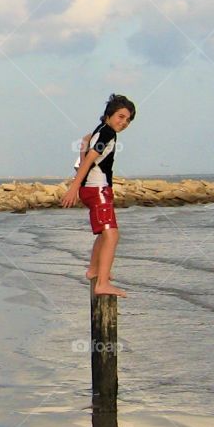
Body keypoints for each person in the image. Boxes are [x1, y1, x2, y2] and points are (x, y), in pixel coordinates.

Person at [62, 94, 136, 298]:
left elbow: (86, 157)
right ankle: (102, 283)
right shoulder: (107, 133)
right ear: (109, 115)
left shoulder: (101, 130)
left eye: (128, 120)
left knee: (104, 233)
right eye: (121, 116)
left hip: (93, 189)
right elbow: (88, 162)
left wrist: (83, 147)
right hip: (97, 189)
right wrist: (73, 188)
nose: (124, 122)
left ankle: (94, 270)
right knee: (112, 235)